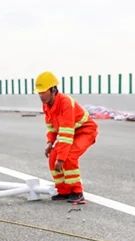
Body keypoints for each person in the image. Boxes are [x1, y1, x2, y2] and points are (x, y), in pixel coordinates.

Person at [35, 71, 98, 205]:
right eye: (39, 92)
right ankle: (63, 191)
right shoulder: (46, 105)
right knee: (52, 157)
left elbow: (66, 134)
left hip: (85, 131)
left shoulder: (65, 103)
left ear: (53, 90)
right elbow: (52, 127)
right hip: (70, 133)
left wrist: (61, 158)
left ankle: (77, 192)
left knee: (68, 157)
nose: (41, 95)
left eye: (43, 91)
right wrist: (50, 143)